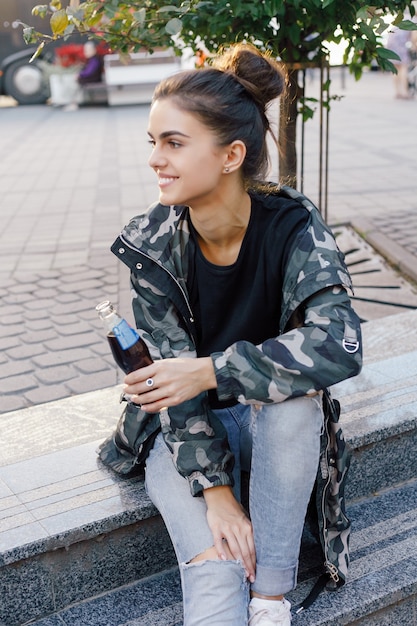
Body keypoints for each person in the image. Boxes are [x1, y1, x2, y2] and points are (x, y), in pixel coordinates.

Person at [100, 43, 362, 625]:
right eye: (153, 143)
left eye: (174, 143)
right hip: (185, 432)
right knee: (217, 571)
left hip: (279, 428)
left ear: (230, 155)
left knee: (296, 403)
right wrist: (216, 493)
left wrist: (213, 367)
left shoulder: (294, 228)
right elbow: (172, 389)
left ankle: (271, 600)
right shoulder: (154, 244)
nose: (155, 161)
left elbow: (340, 344)